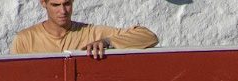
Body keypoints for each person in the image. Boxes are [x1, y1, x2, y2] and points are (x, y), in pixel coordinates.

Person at [11, 0, 158, 59]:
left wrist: (107, 42)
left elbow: (148, 36)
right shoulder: (25, 39)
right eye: (56, 5)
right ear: (43, 3)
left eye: (67, 3)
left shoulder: (91, 32)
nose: (63, 11)